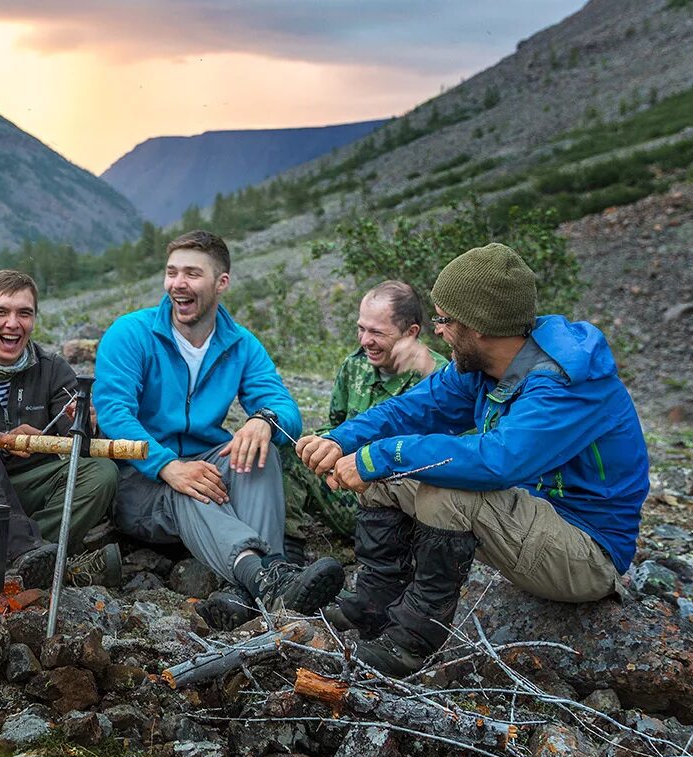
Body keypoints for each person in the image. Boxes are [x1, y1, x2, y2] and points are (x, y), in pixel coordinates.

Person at [298, 243, 649, 677]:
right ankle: (372, 607)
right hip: (529, 524)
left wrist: (383, 454)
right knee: (387, 474)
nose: (437, 332)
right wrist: (341, 440)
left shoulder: (564, 384)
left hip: (587, 552)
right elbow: (412, 409)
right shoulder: (485, 367)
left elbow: (498, 461)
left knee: (445, 487)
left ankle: (410, 643)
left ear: (479, 327)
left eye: (444, 320)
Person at [93, 230, 344, 630]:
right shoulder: (131, 333)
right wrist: (167, 466)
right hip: (139, 483)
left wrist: (264, 420)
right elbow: (113, 414)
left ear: (221, 282)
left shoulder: (240, 344)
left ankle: (264, 580)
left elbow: (285, 409)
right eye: (172, 272)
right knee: (189, 487)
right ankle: (263, 578)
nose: (178, 283)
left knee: (258, 453)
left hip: (204, 465)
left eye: (192, 274)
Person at [0, 269, 121, 588]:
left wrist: (86, 425)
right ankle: (47, 561)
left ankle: (31, 558)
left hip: (35, 484)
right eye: (1, 312)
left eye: (24, 313)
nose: (13, 323)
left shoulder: (52, 369)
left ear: (34, 319)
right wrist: (1, 442)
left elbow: (78, 445)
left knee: (101, 473)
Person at [282, 281, 447, 541]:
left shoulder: (438, 375)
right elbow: (334, 424)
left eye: (377, 332)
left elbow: (457, 449)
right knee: (290, 452)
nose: (365, 340)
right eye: (361, 328)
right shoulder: (355, 366)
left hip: (402, 506)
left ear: (410, 332)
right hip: (347, 486)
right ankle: (288, 549)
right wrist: (323, 449)